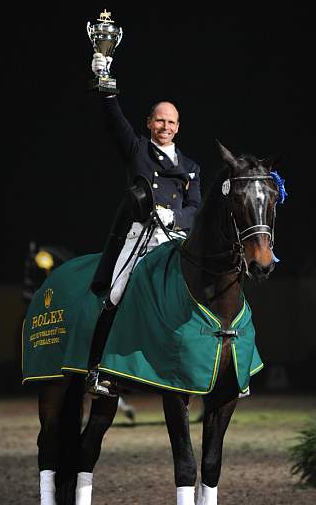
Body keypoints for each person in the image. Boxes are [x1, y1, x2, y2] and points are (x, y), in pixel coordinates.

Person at [86, 52, 202, 396]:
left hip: (177, 240)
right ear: (149, 123)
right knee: (117, 294)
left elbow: (195, 207)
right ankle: (95, 370)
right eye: (159, 121)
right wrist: (105, 83)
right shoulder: (137, 150)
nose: (165, 127)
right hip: (141, 238)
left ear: (178, 127)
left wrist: (176, 217)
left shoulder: (192, 166)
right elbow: (114, 120)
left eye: (171, 123)